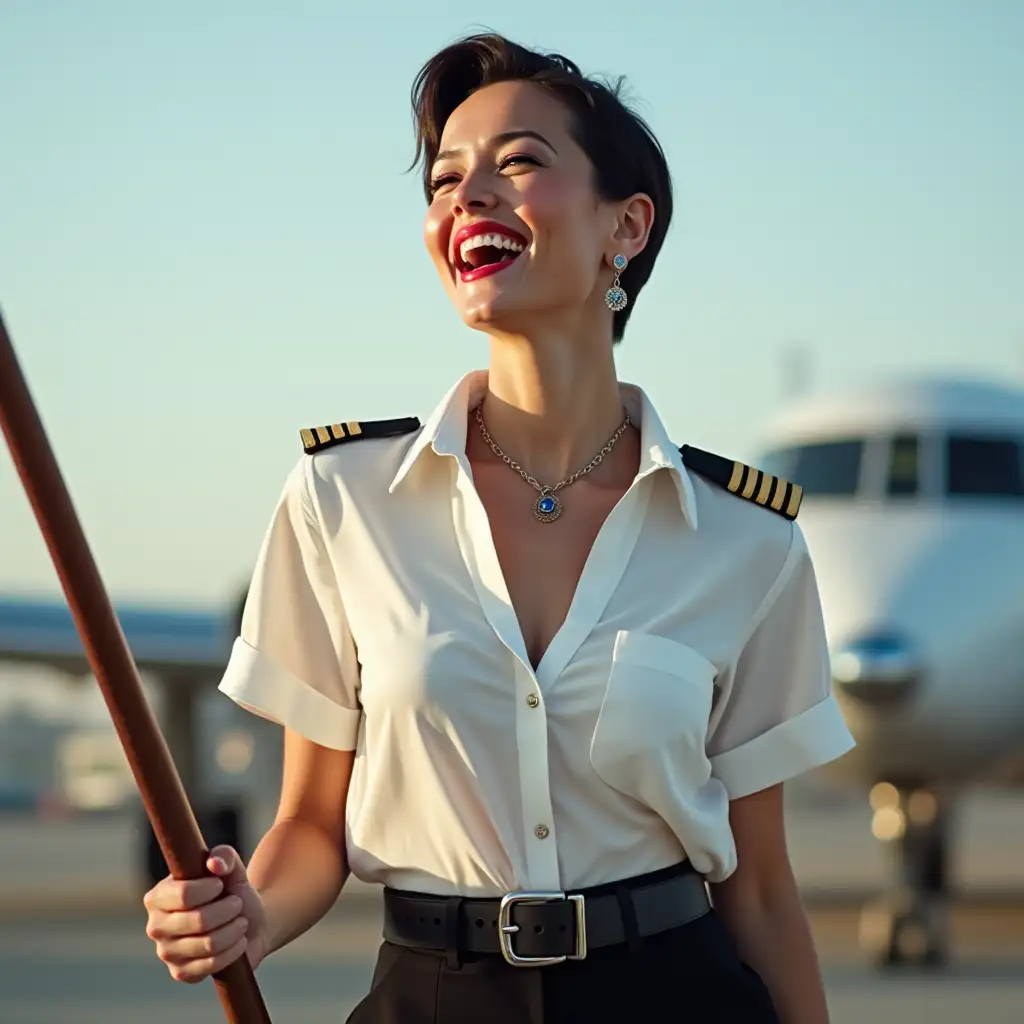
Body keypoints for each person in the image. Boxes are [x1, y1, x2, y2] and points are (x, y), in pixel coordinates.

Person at [142, 33, 855, 1023]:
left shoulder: (747, 540)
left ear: (627, 225)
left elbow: (763, 887)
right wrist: (246, 913)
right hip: (430, 996)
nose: (466, 196)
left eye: (518, 162)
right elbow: (310, 823)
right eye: (444, 181)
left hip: (676, 993)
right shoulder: (340, 500)